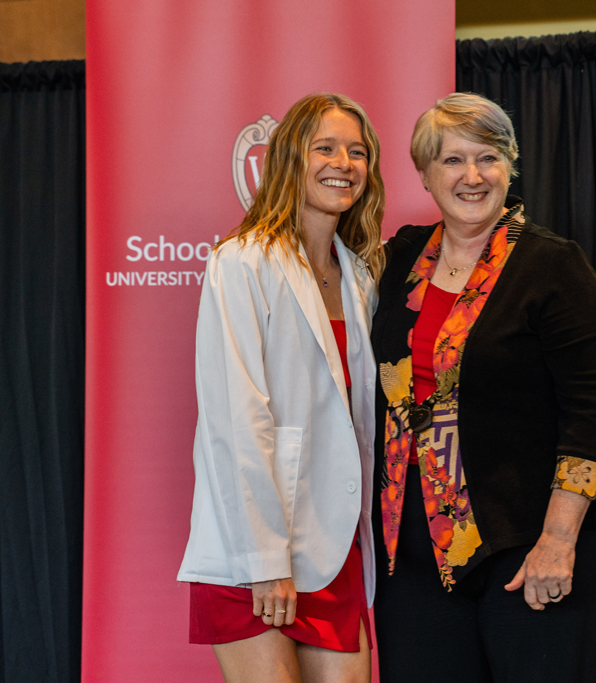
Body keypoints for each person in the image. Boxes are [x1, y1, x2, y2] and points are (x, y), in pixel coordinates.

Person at [370, 92, 596, 682]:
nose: (473, 176)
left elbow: (595, 412)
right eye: (453, 161)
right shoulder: (399, 258)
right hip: (413, 558)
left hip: (526, 547)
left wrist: (558, 542)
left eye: (488, 157)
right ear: (425, 174)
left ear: (511, 165)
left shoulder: (554, 266)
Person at [178, 93, 385, 683]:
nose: (343, 162)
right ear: (290, 158)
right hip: (254, 552)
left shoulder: (362, 276)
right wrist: (265, 558)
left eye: (358, 151)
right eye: (325, 148)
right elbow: (237, 420)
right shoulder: (242, 262)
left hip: (334, 545)